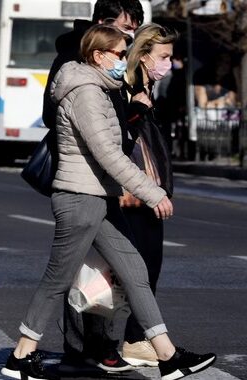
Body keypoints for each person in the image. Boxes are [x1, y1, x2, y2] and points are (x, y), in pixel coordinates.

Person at [1, 24, 216, 380]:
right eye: (118, 53)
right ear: (98, 55)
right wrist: (152, 192)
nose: (123, 60)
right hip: (80, 199)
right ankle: (21, 355)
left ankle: (167, 356)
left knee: (135, 272)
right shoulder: (85, 92)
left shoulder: (100, 89)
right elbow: (108, 154)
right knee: (57, 280)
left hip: (98, 199)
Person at [42, 0, 145, 372]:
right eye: (125, 29)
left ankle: (100, 345)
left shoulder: (121, 62)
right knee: (79, 268)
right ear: (103, 25)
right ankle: (85, 347)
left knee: (109, 267)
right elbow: (57, 118)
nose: (129, 39)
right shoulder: (76, 61)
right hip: (84, 180)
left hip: (105, 180)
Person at [119, 23, 177, 367]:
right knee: (137, 269)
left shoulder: (148, 88)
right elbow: (115, 139)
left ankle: (134, 338)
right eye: (164, 56)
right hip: (132, 193)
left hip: (147, 192)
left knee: (148, 265)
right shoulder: (126, 89)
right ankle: (132, 339)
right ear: (143, 56)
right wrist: (136, 109)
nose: (168, 63)